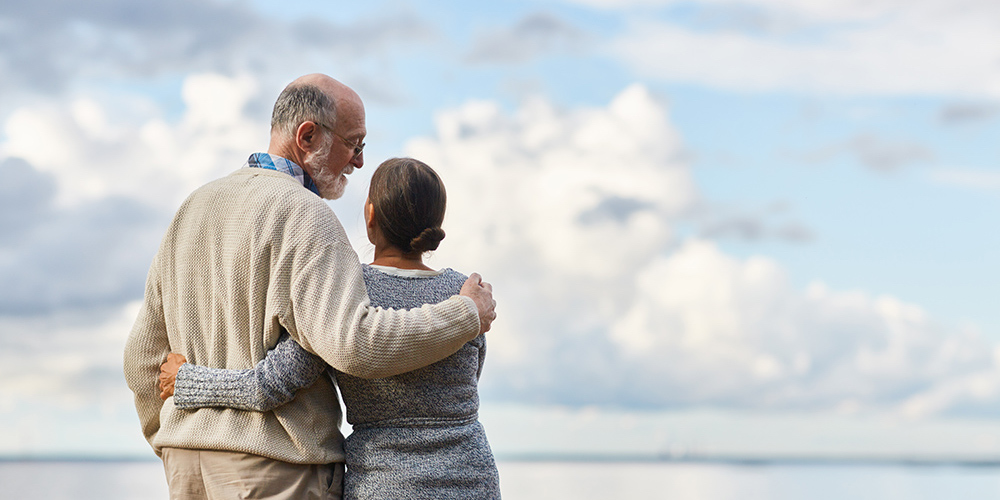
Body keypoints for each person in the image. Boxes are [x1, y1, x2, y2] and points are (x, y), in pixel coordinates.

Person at [123, 74, 497, 500]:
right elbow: (352, 343)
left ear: (372, 218)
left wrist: (174, 438)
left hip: (187, 467)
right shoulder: (307, 216)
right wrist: (466, 313)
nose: (358, 162)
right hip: (275, 470)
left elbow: (141, 358)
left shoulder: (191, 208)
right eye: (354, 144)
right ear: (308, 135)